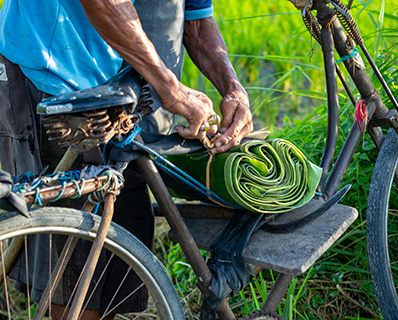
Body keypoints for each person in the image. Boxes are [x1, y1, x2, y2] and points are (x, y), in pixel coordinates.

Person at [0, 0, 253, 319]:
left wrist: (233, 88)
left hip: (134, 91)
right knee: (74, 269)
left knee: (117, 257)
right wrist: (174, 92)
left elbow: (196, 19)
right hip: (58, 72)